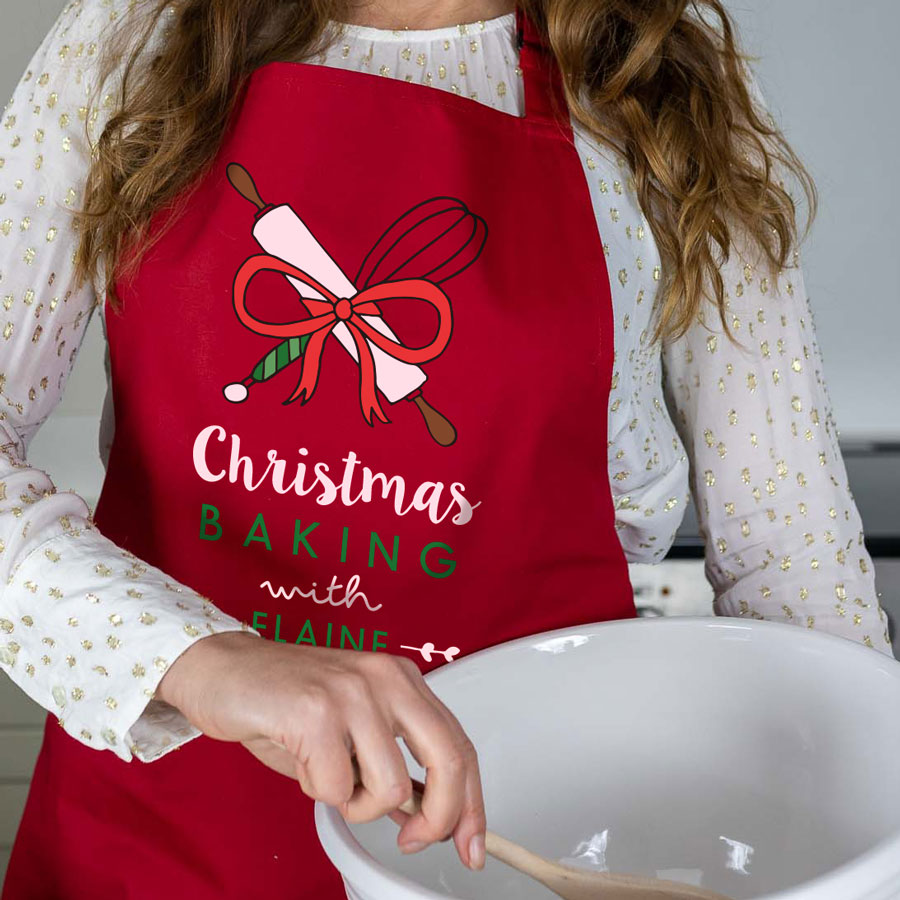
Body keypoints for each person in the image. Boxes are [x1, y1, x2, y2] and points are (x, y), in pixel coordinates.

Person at [0, 0, 892, 896]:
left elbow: (791, 550)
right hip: (157, 841)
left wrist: (863, 847)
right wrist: (193, 657)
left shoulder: (659, 66)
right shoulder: (138, 29)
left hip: (530, 842)